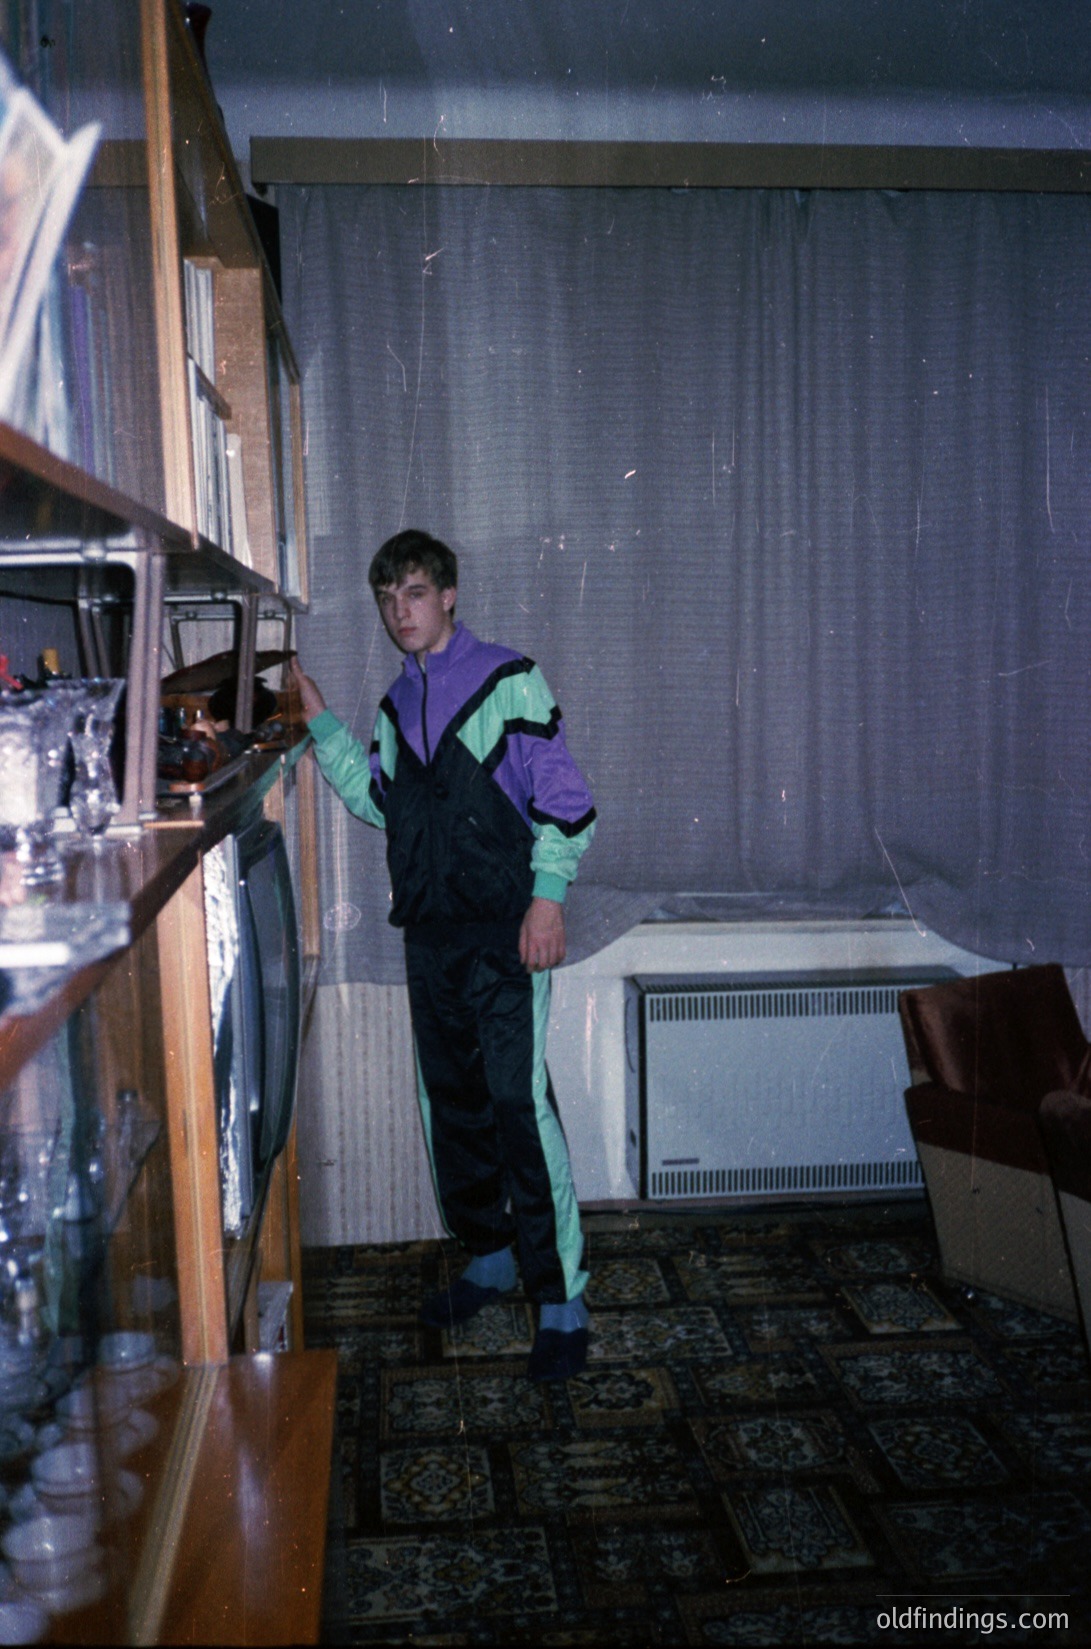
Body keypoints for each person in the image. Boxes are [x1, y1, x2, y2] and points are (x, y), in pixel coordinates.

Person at [290, 529, 597, 1381]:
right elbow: (382, 801)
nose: (401, 612)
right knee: (451, 1101)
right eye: (388, 598)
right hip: (431, 936)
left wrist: (547, 897)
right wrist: (317, 715)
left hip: (506, 931)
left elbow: (565, 800)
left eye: (415, 592)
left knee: (515, 1103)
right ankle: (489, 1253)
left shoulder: (508, 680)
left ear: (449, 595)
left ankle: (562, 1296)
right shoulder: (395, 705)